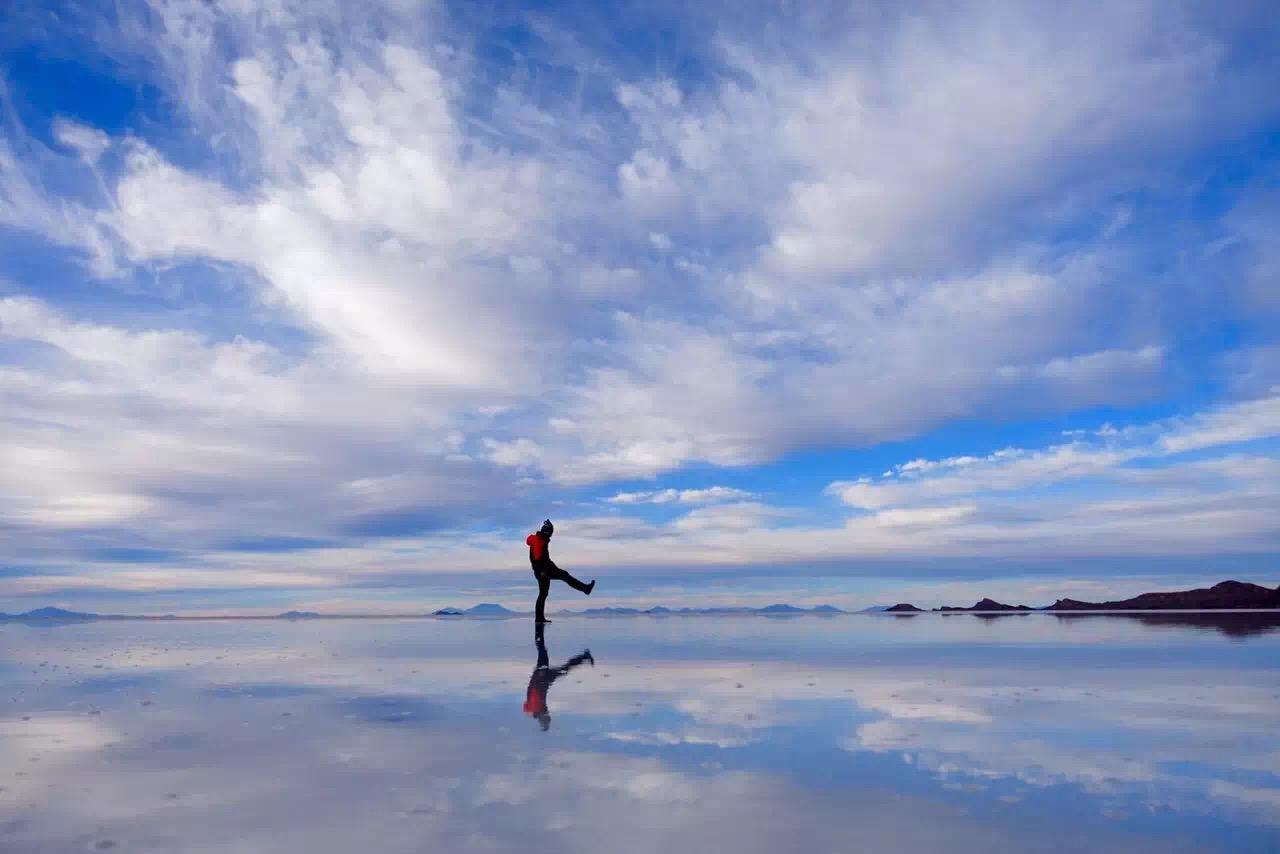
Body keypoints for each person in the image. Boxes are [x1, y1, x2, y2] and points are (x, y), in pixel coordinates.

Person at [523, 623, 593, 731]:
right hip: (543, 677)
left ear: (543, 717)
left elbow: (534, 690)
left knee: (543, 651)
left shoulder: (536, 706)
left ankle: (539, 628)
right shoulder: (536, 708)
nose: (548, 713)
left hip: (543, 675)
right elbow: (532, 692)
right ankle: (584, 657)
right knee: (560, 665)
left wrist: (539, 674)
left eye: (547, 716)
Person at [527, 519, 595, 624]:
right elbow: (538, 558)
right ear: (548, 532)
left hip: (543, 570)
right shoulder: (540, 540)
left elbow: (538, 557)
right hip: (544, 570)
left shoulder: (537, 539)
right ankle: (585, 589)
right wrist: (543, 571)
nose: (551, 535)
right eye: (551, 533)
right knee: (564, 576)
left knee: (543, 593)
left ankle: (539, 618)